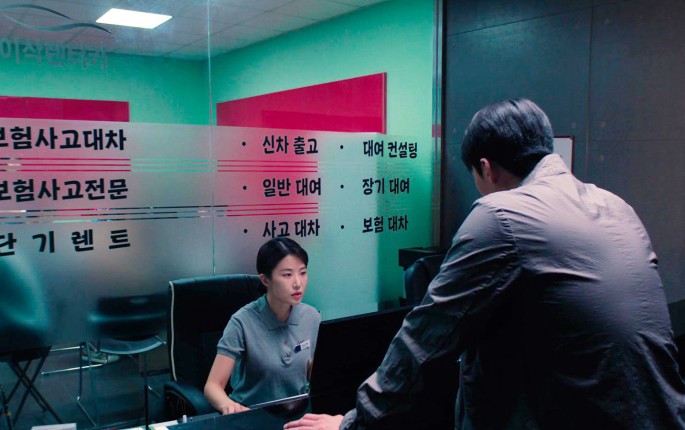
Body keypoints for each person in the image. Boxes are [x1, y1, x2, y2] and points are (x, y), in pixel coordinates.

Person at [285, 99, 685, 429]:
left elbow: (424, 338)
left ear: (487, 168)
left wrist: (351, 423)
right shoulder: (616, 206)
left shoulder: (501, 215)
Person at [205, 237, 320, 414]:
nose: (298, 283)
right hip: (251, 415)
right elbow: (213, 386)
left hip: (299, 416)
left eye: (302, 273)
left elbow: (316, 376)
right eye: (287, 275)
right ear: (265, 280)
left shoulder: (311, 317)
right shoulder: (241, 322)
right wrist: (228, 406)